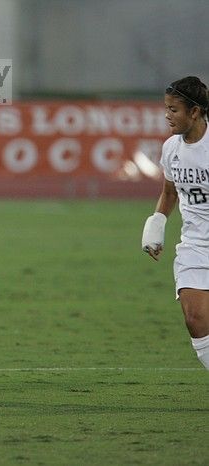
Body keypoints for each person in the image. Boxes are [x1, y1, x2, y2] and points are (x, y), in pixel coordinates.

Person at [142, 75, 209, 369]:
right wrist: (156, 224)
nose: (167, 115)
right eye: (166, 108)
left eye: (174, 109)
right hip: (195, 246)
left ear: (194, 112)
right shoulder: (171, 148)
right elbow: (170, 192)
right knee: (195, 320)